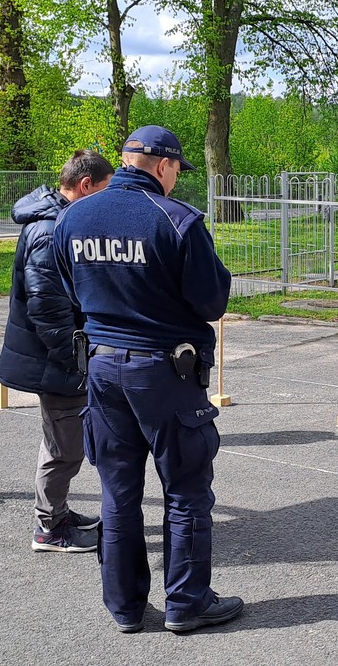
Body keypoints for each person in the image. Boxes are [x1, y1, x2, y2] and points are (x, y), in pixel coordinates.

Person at [53, 125, 241, 635]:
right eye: (178, 169)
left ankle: (126, 607)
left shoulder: (73, 218)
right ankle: (187, 603)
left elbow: (72, 290)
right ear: (162, 165)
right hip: (163, 371)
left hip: (102, 366)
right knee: (185, 490)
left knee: (118, 492)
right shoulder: (176, 219)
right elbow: (212, 301)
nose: (178, 179)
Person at [0, 150, 114, 553]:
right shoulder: (50, 229)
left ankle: (57, 513)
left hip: (56, 358)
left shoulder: (55, 219)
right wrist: (77, 361)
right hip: (56, 360)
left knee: (62, 442)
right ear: (85, 187)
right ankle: (49, 528)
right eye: (104, 191)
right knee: (64, 447)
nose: (107, 202)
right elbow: (48, 309)